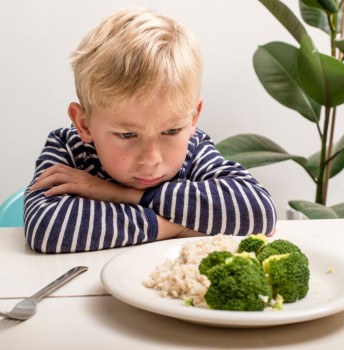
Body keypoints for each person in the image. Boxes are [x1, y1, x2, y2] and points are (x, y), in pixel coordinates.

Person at [24, 8, 276, 254]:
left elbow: (259, 211)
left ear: (193, 119)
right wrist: (174, 228)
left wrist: (120, 194)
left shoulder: (194, 148)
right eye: (127, 134)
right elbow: (47, 229)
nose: (151, 160)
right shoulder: (68, 148)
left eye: (171, 131)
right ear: (84, 124)